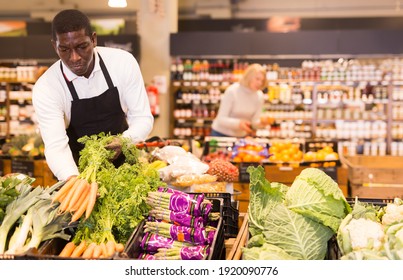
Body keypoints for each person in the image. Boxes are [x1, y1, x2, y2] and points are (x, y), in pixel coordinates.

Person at [32, 9, 153, 181]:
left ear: (94, 39)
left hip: (125, 169)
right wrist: (75, 183)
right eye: (64, 49)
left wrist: (124, 141)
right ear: (55, 46)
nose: (74, 58)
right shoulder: (47, 87)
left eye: (82, 47)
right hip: (76, 170)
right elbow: (56, 146)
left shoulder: (122, 63)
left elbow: (142, 118)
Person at [211, 63, 267, 138]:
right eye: (257, 79)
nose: (260, 83)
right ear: (248, 77)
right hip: (221, 134)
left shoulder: (259, 96)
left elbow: (254, 121)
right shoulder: (232, 91)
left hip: (241, 136)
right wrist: (239, 124)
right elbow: (221, 119)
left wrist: (262, 123)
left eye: (262, 80)